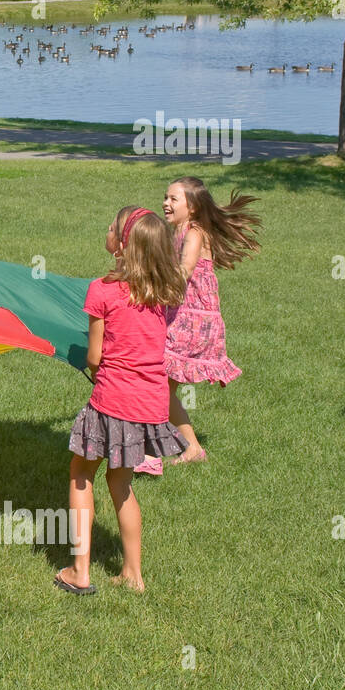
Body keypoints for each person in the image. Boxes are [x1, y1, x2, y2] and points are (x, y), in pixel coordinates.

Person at [55, 206, 187, 595]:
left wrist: (88, 359)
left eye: (112, 227)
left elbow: (95, 357)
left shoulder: (103, 289)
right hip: (148, 405)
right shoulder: (163, 293)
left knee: (81, 474)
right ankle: (134, 574)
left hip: (111, 402)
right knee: (122, 483)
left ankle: (80, 572)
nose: (107, 229)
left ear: (122, 244)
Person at [135, 178, 261, 475]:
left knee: (157, 383)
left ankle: (151, 452)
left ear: (191, 207)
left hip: (192, 320)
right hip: (178, 313)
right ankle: (191, 448)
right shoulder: (175, 231)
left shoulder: (194, 233)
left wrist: (153, 287)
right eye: (164, 197)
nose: (166, 203)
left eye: (173, 199)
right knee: (161, 387)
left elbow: (184, 271)